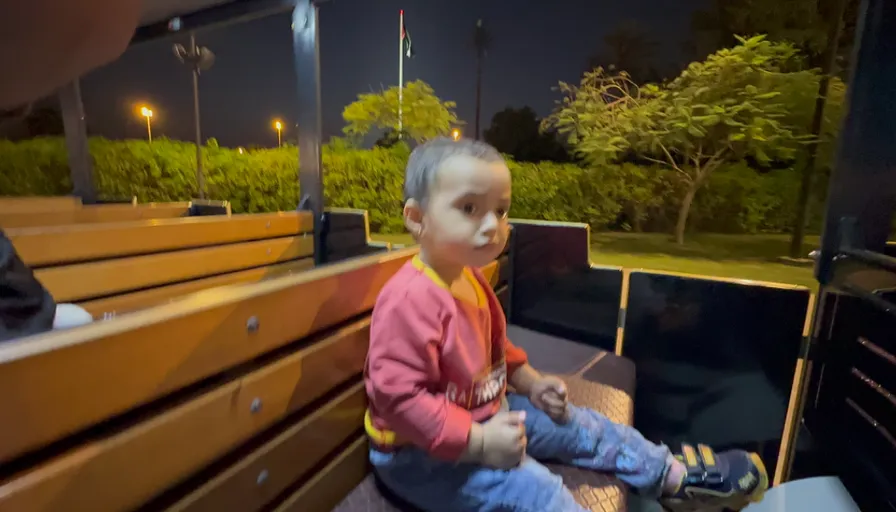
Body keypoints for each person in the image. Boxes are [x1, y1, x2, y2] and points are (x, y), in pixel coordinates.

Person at [363, 138, 768, 512]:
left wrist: (534, 384)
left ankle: (672, 480)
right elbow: (399, 401)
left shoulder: (470, 278)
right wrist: (481, 444)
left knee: (581, 425)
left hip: (487, 416)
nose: (492, 225)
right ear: (416, 219)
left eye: (500, 210)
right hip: (419, 456)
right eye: (469, 208)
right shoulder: (409, 300)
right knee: (541, 493)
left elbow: (498, 352)